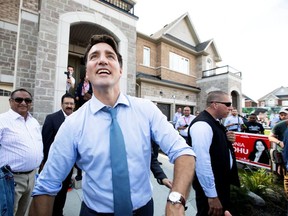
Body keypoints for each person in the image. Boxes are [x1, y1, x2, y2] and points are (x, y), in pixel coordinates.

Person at [29, 34, 196, 216]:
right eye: (94, 56)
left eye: (110, 56)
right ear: (86, 72)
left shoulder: (147, 110)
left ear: (120, 70)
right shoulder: (72, 124)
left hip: (144, 210)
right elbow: (46, 185)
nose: (102, 60)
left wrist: (176, 201)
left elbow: (183, 152)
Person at [188, 90, 240, 216]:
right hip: (212, 189)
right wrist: (212, 195)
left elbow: (214, 148)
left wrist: (226, 140)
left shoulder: (215, 121)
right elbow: (201, 162)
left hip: (221, 184)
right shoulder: (202, 125)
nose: (231, 108)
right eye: (227, 104)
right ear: (215, 104)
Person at [0, 88, 43, 216]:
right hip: (11, 178)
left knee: (22, 212)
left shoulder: (33, 122)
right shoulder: (2, 120)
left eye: (27, 100)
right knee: (7, 212)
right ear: (10, 101)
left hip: (31, 176)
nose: (23, 103)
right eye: (19, 99)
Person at [41, 93, 75, 216]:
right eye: (67, 103)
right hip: (54, 166)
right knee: (51, 193)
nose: (69, 106)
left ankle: (59, 213)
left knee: (63, 192)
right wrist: (46, 162)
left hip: (69, 166)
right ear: (61, 104)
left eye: (71, 103)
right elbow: (46, 142)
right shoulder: (51, 118)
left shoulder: (77, 120)